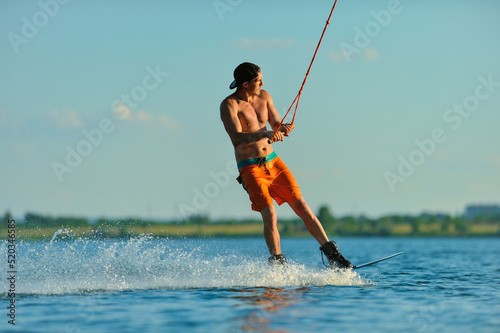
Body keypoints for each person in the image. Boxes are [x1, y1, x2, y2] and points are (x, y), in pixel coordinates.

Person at [220, 62, 352, 269]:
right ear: (245, 84)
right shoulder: (229, 105)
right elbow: (237, 138)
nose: (262, 83)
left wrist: (283, 128)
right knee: (270, 214)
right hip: (250, 168)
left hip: (273, 162)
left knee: (301, 206)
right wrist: (265, 134)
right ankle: (278, 264)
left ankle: (334, 255)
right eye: (258, 81)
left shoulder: (264, 96)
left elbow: (275, 124)